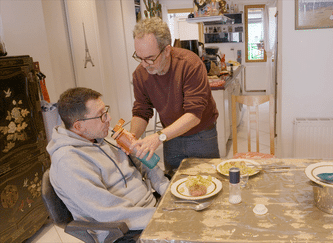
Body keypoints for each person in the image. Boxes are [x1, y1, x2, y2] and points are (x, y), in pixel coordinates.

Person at [47, 87, 169, 242]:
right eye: (101, 116)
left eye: (106, 111)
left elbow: (142, 162)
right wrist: (160, 216)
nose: (109, 118)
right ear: (78, 126)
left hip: (150, 209)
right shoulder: (68, 161)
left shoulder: (106, 135)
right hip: (124, 231)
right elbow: (109, 212)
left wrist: (165, 187)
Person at [129, 17, 220, 176]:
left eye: (150, 58)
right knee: (173, 181)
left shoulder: (190, 64)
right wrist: (132, 138)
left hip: (202, 135)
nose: (144, 64)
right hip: (171, 136)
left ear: (166, 50)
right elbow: (141, 111)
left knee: (209, 179)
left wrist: (158, 137)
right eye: (139, 57)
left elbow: (194, 115)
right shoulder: (140, 74)